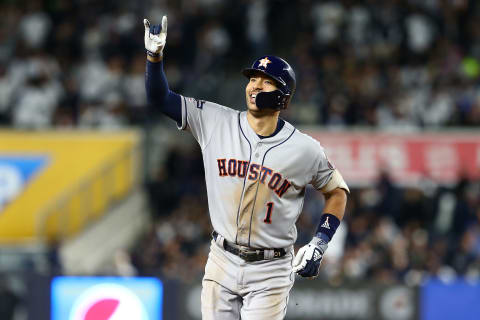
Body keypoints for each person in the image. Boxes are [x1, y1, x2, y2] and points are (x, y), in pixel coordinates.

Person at [144, 16, 349, 320]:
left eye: (266, 80)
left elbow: (338, 192)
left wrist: (319, 243)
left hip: (272, 268)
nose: (255, 85)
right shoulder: (214, 120)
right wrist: (154, 58)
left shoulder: (305, 148)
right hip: (222, 258)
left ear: (284, 96)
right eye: (253, 78)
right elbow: (160, 98)